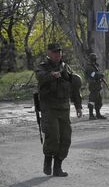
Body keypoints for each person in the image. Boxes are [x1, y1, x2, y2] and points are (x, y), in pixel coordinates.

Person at [35, 43, 82, 177]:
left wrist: (78, 106)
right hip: (49, 108)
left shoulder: (66, 67)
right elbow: (40, 76)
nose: (58, 54)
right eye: (55, 52)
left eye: (59, 52)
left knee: (66, 138)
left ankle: (58, 167)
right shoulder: (43, 66)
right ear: (49, 53)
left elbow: (74, 87)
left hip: (64, 108)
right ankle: (48, 161)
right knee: (53, 137)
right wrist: (52, 75)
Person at [85, 52, 106, 120]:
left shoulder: (95, 66)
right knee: (92, 100)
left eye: (95, 59)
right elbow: (93, 75)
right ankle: (91, 115)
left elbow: (97, 74)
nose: (95, 60)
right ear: (91, 59)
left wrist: (100, 76)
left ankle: (98, 114)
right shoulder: (89, 67)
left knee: (99, 101)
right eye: (94, 59)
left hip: (97, 86)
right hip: (93, 86)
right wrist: (100, 75)